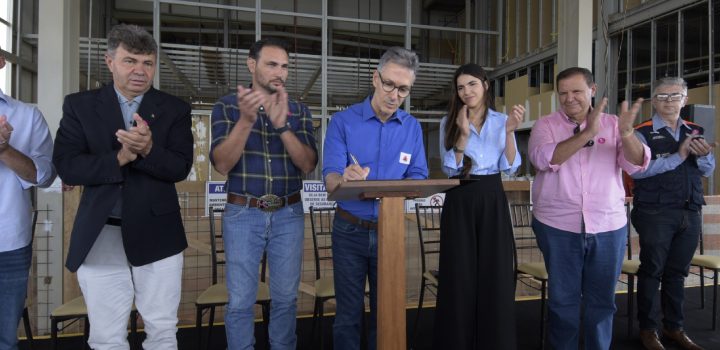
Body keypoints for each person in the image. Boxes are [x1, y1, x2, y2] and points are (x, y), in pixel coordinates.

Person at [53, 24, 193, 349]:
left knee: (162, 329)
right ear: (110, 61)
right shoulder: (80, 106)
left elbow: (179, 166)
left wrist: (146, 151)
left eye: (148, 63)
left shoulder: (174, 109)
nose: (140, 71)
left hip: (159, 233)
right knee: (105, 335)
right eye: (130, 61)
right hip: (101, 232)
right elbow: (67, 164)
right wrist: (120, 157)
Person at [528, 66, 650, 350]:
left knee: (602, 302)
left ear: (592, 90)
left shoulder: (614, 124)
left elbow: (637, 164)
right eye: (563, 93)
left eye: (577, 91)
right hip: (557, 226)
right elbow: (544, 159)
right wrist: (587, 133)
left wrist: (629, 133)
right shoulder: (545, 125)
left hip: (608, 226)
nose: (569, 98)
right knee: (562, 302)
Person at [210, 37, 317, 350]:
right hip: (243, 213)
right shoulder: (227, 106)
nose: (280, 72)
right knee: (241, 301)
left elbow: (308, 164)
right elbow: (222, 164)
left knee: (285, 299)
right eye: (272, 64)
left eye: (284, 66)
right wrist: (246, 121)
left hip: (289, 213)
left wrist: (283, 127)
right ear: (251, 64)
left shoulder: (298, 110)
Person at [323, 46, 429, 350]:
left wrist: (399, 186)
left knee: (387, 314)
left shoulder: (412, 128)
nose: (394, 94)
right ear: (375, 78)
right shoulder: (343, 122)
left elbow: (419, 176)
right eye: (389, 84)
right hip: (349, 230)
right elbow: (329, 175)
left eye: (403, 89)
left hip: (391, 229)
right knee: (348, 314)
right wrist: (343, 179)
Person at [432, 63, 524, 349]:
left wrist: (509, 132)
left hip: (492, 194)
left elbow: (511, 167)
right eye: (460, 87)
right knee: (459, 273)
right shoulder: (448, 122)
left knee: (495, 271)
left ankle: (495, 341)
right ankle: (456, 341)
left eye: (471, 84)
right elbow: (450, 170)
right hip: (460, 196)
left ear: (485, 84)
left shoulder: (501, 120)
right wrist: (462, 135)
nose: (466, 91)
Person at [631, 77, 713, 350]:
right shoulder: (640, 132)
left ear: (685, 99)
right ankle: (648, 329)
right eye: (662, 96)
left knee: (678, 273)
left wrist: (701, 156)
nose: (669, 101)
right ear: (653, 101)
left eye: (675, 96)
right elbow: (638, 170)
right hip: (655, 211)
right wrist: (678, 155)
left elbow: (708, 169)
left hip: (690, 210)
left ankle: (674, 327)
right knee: (652, 270)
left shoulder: (696, 129)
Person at [0, 48, 56, 350]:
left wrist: (5, 151)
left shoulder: (27, 115)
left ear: (1, 61)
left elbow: (45, 175)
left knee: (5, 340)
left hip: (8, 246)